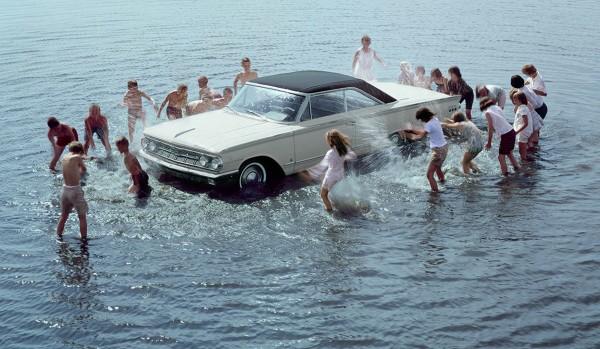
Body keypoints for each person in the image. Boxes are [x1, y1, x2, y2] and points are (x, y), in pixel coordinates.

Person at [304, 130, 356, 211]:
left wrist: (311, 174)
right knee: (324, 178)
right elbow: (352, 155)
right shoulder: (345, 148)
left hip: (331, 176)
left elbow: (322, 166)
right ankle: (339, 198)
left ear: (330, 141)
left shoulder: (330, 153)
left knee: (323, 195)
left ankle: (330, 211)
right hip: (340, 174)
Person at [401, 107, 448, 192]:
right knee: (437, 168)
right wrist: (410, 129)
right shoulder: (435, 119)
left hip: (438, 151)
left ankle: (435, 195)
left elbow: (419, 137)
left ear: (425, 117)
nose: (421, 121)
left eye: (421, 119)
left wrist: (406, 134)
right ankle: (442, 181)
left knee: (429, 175)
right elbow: (423, 131)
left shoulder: (429, 125)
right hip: (444, 147)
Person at [57, 141, 88, 240]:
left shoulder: (64, 158)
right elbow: (84, 169)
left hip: (65, 190)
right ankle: (84, 241)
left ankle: (58, 236)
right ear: (79, 151)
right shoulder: (78, 157)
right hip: (75, 191)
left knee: (63, 216)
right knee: (82, 217)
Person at [480, 97, 519, 175]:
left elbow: (491, 128)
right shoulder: (497, 107)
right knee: (509, 153)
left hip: (506, 134)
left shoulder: (488, 113)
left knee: (501, 157)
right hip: (511, 131)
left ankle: (505, 176)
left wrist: (489, 142)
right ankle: (517, 169)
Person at [511, 91, 534, 160]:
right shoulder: (522, 107)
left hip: (523, 132)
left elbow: (525, 123)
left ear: (521, 100)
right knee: (523, 148)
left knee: (521, 149)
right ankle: (526, 158)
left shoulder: (523, 109)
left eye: (515, 100)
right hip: (524, 131)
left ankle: (524, 162)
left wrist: (517, 132)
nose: (514, 101)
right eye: (513, 100)